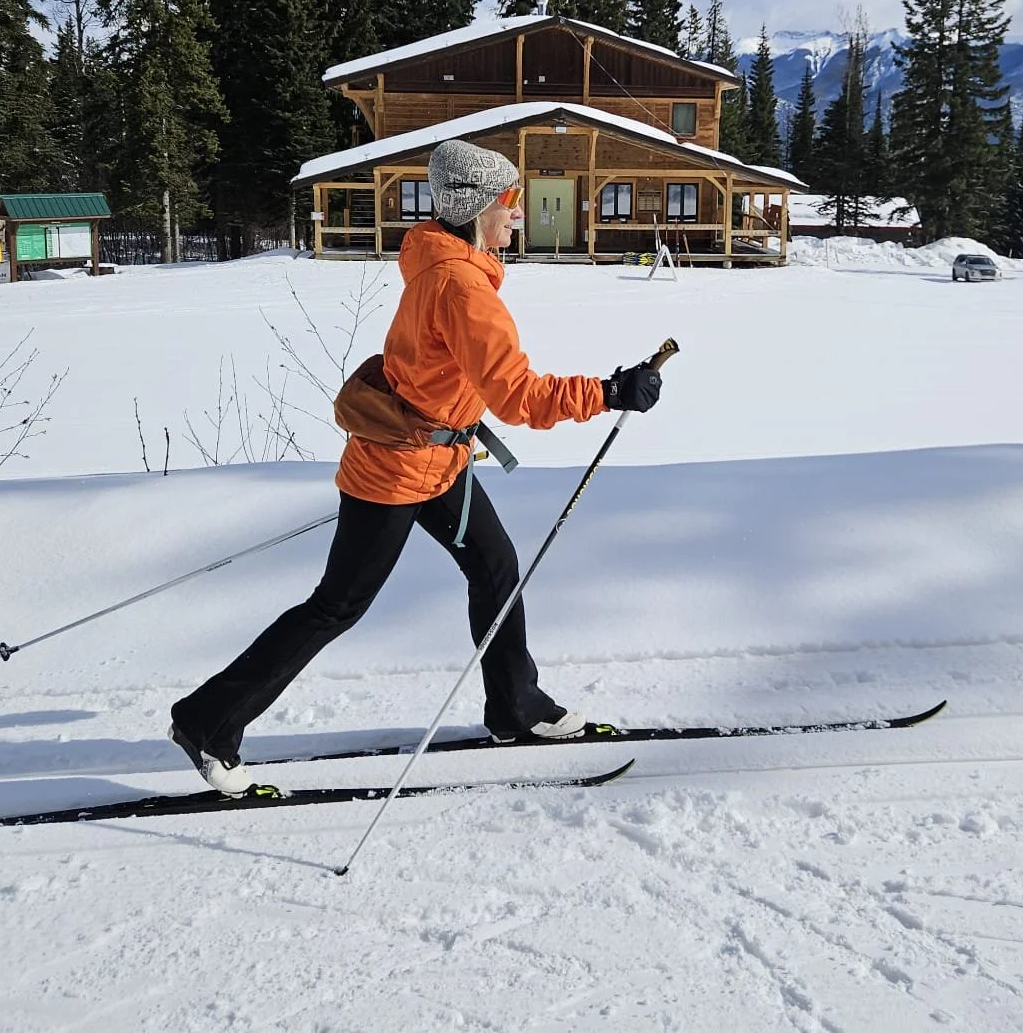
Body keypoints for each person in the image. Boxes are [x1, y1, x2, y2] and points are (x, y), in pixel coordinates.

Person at [169, 138, 664, 796]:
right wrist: (607, 391)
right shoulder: (461, 287)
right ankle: (207, 721)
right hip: (398, 467)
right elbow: (518, 396)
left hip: (441, 458)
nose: (516, 214)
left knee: (496, 568)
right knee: (336, 606)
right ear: (476, 207)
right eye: (508, 202)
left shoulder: (445, 262)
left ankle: (515, 708)